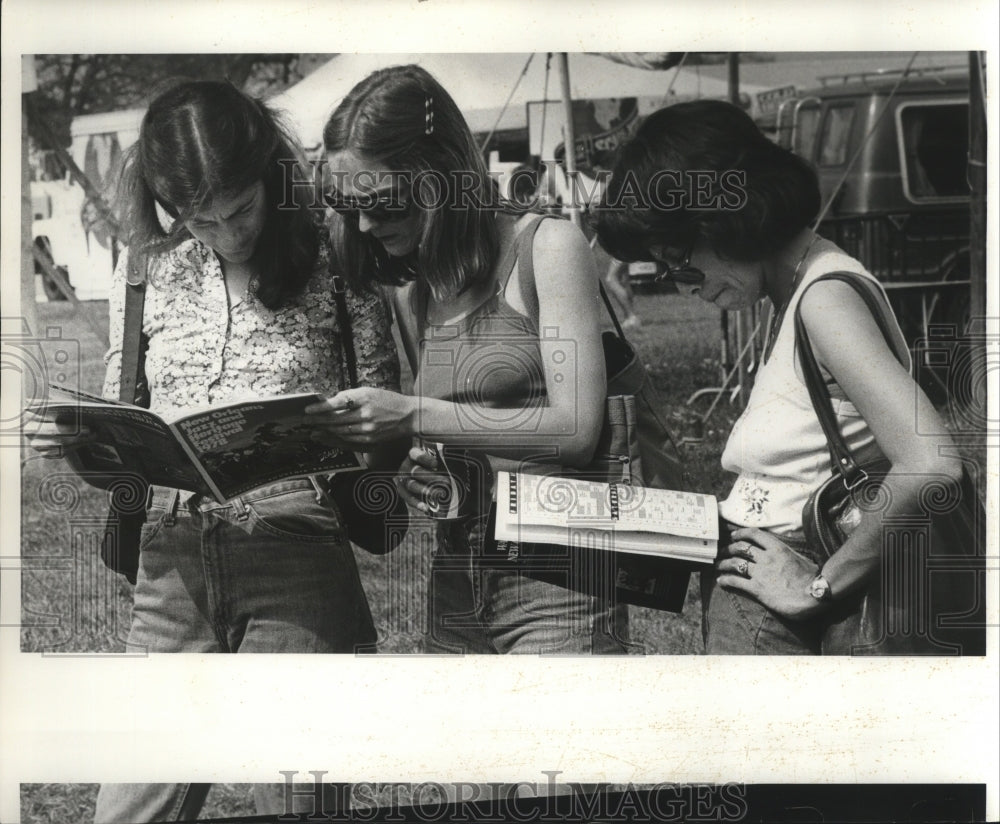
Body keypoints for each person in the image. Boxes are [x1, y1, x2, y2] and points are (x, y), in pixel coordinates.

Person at [26, 80, 400, 820]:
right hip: (172, 570)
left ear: (270, 173)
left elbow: (384, 414)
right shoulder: (146, 268)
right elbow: (126, 431)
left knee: (299, 801)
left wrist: (357, 435)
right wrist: (77, 442)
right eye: (202, 221)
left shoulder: (334, 250)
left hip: (297, 560)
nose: (227, 235)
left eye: (241, 210)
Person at [594, 99, 963, 655]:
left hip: (790, 602)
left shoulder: (824, 299)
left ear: (724, 218)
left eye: (680, 259)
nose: (682, 285)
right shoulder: (790, 293)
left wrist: (818, 587)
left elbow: (932, 462)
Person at [308, 64, 629, 654]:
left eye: (382, 202)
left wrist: (413, 415)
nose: (365, 224)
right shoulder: (415, 291)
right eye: (347, 205)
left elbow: (577, 428)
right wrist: (425, 469)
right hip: (458, 571)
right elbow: (455, 430)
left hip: (558, 572)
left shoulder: (546, 248)